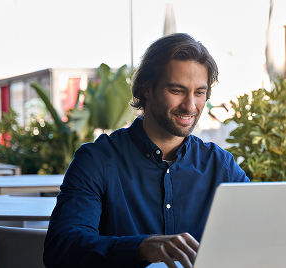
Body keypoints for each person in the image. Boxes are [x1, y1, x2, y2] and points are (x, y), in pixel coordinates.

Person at [43, 33, 250, 268]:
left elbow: (258, 234)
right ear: (146, 89)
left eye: (199, 92)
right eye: (177, 90)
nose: (190, 106)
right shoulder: (97, 161)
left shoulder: (222, 166)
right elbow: (62, 248)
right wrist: (141, 247)